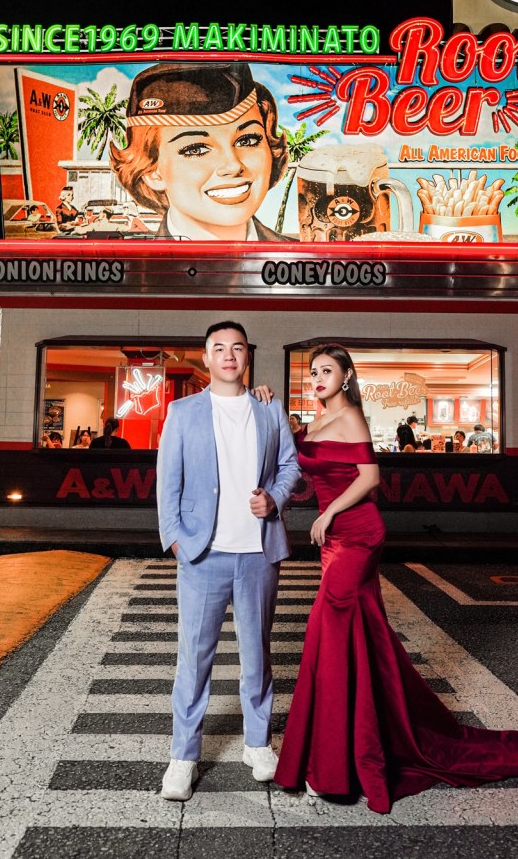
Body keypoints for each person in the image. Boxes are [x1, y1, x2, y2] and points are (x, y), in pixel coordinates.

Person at [274, 342, 518, 814]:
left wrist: (329, 511)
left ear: (346, 376)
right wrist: (271, 413)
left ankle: (340, 765)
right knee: (354, 639)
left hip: (357, 534)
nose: (318, 378)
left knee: (330, 632)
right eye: (313, 371)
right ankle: (344, 751)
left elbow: (369, 478)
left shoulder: (351, 417)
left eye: (327, 371)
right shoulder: (312, 424)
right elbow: (298, 468)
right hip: (332, 540)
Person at [156, 320, 300, 802]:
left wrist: (275, 499)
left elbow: (290, 466)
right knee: (194, 659)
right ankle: (183, 756)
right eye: (219, 348)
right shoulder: (183, 412)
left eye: (237, 348)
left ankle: (257, 744)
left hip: (259, 552)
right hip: (203, 554)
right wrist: (176, 540)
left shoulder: (269, 407)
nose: (229, 355)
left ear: (247, 356)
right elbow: (167, 481)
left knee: (257, 655)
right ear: (206, 357)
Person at [109, 62, 295, 242]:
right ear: (152, 172)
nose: (232, 165)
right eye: (196, 149)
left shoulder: (295, 256)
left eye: (247, 140)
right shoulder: (134, 260)